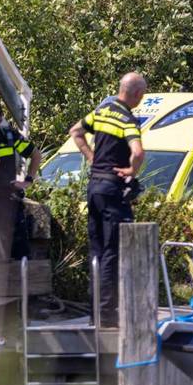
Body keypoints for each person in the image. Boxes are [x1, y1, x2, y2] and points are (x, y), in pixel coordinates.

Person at [68, 72, 147, 327]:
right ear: (136, 94)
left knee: (97, 251)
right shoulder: (127, 119)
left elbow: (76, 131)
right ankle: (107, 315)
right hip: (113, 190)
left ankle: (95, 314)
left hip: (94, 187)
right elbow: (137, 152)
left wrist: (92, 158)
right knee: (113, 251)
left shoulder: (101, 112)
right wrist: (131, 171)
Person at [0, 99, 41, 259]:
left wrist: (28, 180)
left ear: (0, 120)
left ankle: (21, 279)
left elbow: (36, 154)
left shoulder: (9, 136)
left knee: (20, 250)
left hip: (9, 199)